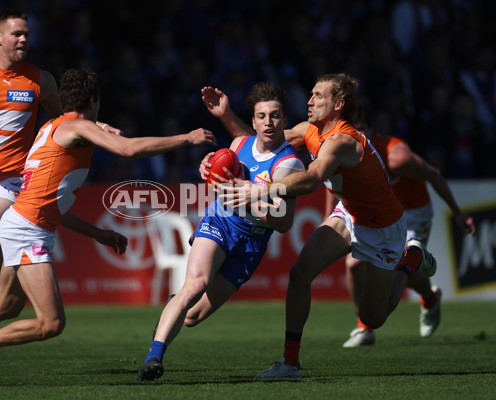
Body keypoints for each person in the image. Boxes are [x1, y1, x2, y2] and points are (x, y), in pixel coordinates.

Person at [0, 66, 217, 387]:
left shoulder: (52, 127)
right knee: (50, 323)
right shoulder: (75, 128)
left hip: (22, 222)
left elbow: (54, 207)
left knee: (6, 305)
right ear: (93, 101)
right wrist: (187, 137)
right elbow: (128, 149)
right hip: (27, 229)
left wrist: (98, 233)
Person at [206, 73, 438, 378]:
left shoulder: (342, 141)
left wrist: (261, 190)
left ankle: (411, 259)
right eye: (311, 94)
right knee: (300, 272)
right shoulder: (309, 129)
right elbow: (259, 144)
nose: (310, 100)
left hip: (383, 228)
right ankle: (290, 363)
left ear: (338, 104)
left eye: (318, 95)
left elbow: (313, 179)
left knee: (372, 318)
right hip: (349, 213)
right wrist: (223, 131)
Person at [0, 9, 121, 344]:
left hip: (15, 180)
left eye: (27, 34)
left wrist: (100, 127)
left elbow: (68, 118)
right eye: (17, 34)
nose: (23, 39)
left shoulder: (39, 79)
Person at [137, 82, 304, 381]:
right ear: (253, 121)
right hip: (221, 220)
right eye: (262, 116)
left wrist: (253, 197)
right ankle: (154, 358)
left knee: (192, 316)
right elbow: (222, 166)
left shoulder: (288, 164)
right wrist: (209, 165)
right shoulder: (240, 144)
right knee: (195, 283)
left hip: (253, 241)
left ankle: (174, 308)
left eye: (275, 115)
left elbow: (285, 222)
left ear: (285, 120)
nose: (269, 122)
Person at [335, 123, 476, 347]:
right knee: (353, 266)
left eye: (360, 130)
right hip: (378, 213)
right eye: (351, 130)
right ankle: (364, 327)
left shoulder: (396, 156)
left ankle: (429, 299)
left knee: (395, 271)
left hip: (412, 213)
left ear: (371, 130)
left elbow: (434, 174)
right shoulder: (343, 150)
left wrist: (458, 213)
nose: (355, 136)